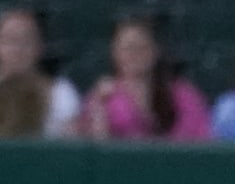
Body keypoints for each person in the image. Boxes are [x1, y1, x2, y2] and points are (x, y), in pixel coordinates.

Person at [82, 15, 211, 142]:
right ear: (114, 52)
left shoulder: (184, 96)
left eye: (142, 47)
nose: (134, 55)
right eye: (128, 48)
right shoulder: (103, 97)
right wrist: (100, 110)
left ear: (155, 50)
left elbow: (201, 142)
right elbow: (96, 148)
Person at [0, 7, 81, 138]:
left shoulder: (61, 93)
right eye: (10, 40)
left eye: (26, 41)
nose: (18, 49)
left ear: (39, 47)